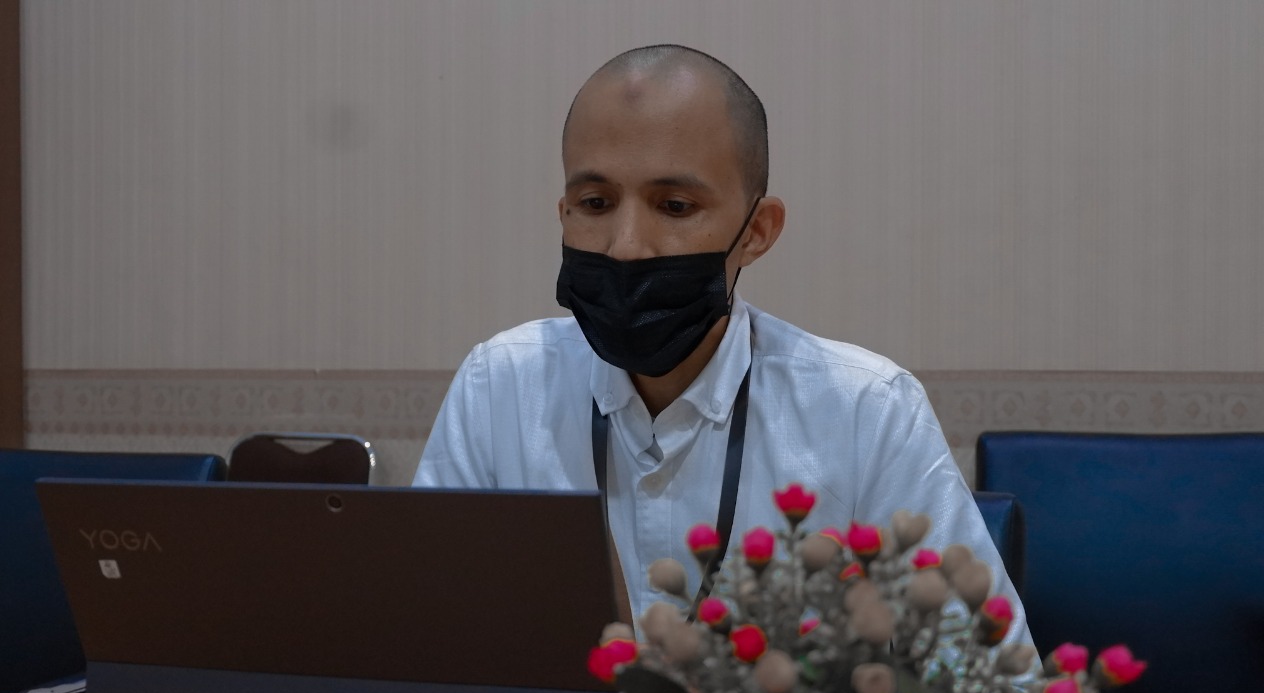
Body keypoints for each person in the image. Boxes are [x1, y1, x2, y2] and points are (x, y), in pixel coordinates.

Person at [413, 44, 1030, 646]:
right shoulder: (499, 388)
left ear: (757, 230)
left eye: (675, 206)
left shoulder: (866, 411)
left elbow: (986, 671)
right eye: (595, 203)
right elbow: (421, 642)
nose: (626, 245)